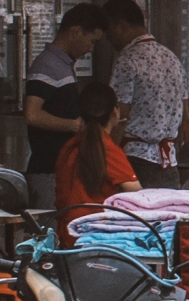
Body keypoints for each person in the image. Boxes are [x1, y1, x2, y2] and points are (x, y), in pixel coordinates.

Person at [104, 0, 188, 186]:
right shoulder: (172, 59)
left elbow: (119, 117)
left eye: (109, 33)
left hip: (135, 162)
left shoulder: (127, 61)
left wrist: (106, 158)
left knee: (133, 216)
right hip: (170, 165)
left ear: (121, 26)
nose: (109, 40)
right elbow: (187, 113)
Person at [20, 2, 105, 183]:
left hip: (63, 168)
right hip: (48, 170)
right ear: (75, 31)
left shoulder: (63, 64)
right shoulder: (47, 65)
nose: (91, 49)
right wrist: (73, 125)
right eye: (92, 41)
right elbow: (32, 115)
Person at [47, 84, 138, 222]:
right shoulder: (108, 149)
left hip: (66, 233)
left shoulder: (68, 147)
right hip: (98, 233)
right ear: (115, 112)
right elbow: (138, 194)